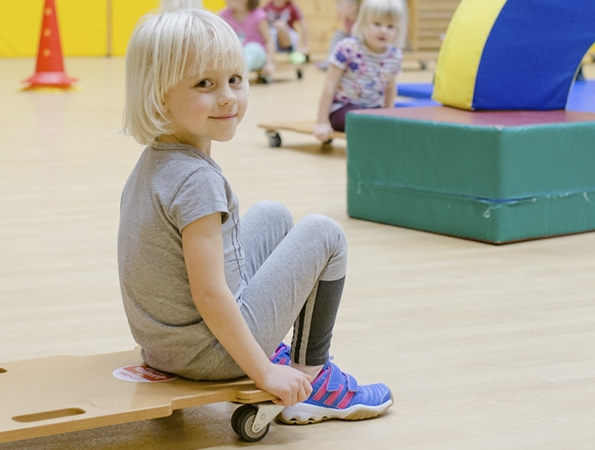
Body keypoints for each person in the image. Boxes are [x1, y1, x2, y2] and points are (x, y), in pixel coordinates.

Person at [118, 4, 393, 424]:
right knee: (325, 234)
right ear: (159, 95)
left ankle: (277, 354)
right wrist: (263, 372)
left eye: (235, 79)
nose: (227, 96)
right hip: (208, 353)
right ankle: (311, 376)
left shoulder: (155, 162)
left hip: (165, 345)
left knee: (274, 215)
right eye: (204, 84)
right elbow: (209, 295)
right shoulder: (196, 180)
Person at [313, 0, 405, 141]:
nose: (383, 30)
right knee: (362, 120)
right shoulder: (347, 48)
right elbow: (329, 85)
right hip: (343, 109)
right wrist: (321, 122)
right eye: (377, 24)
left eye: (390, 26)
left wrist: (390, 115)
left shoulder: (394, 56)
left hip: (373, 109)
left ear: (398, 30)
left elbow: (390, 89)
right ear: (363, 23)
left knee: (392, 122)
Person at [218, 0, 276, 83]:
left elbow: (269, 41)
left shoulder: (258, 15)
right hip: (237, 53)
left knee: (251, 48)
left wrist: (269, 63)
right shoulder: (223, 15)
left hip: (257, 53)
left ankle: (237, 74)